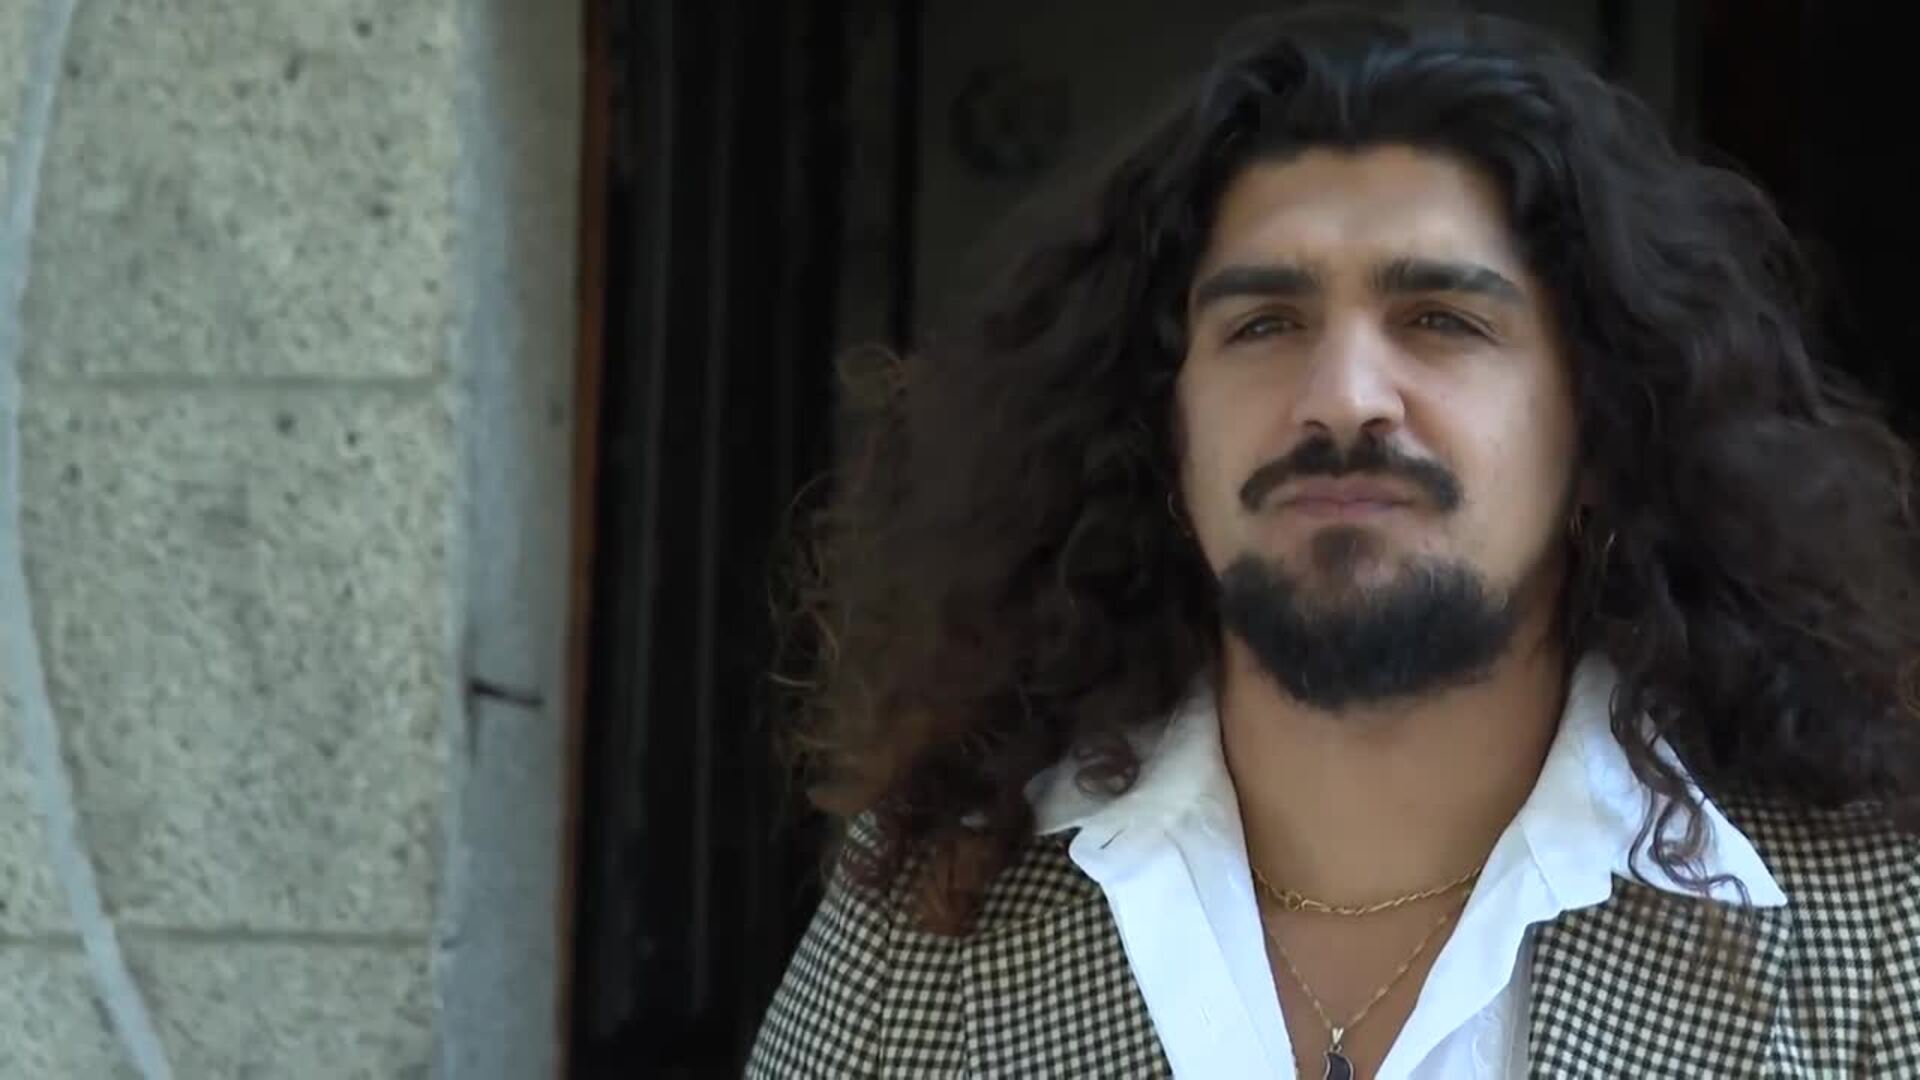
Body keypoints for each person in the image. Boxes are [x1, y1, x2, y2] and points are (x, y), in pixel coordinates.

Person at [750, 8, 1920, 1078]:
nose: (1345, 398)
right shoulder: (933, 912)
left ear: (1601, 437)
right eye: (1266, 323)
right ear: (1162, 440)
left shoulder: (1870, 930)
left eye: (1441, 320)